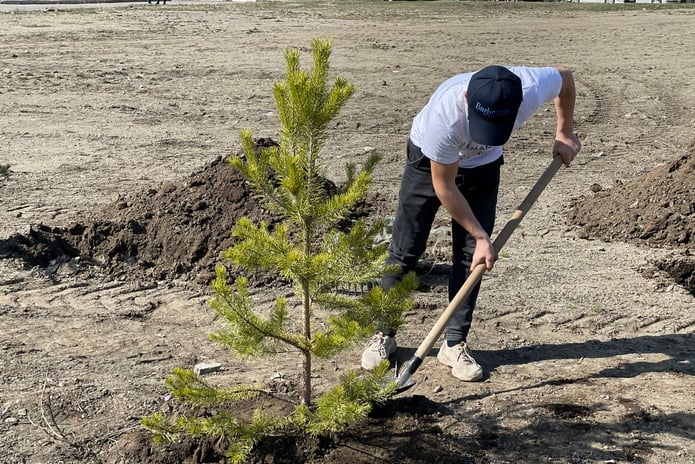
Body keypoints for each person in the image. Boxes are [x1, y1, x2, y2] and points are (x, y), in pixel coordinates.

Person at [361, 65, 582, 381]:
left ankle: (454, 343)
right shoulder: (446, 115)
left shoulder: (530, 88)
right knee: (406, 249)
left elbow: (566, 78)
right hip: (429, 166)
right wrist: (480, 234)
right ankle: (383, 333)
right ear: (467, 98)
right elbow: (445, 187)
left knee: (471, 258)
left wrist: (564, 131)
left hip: (483, 169)